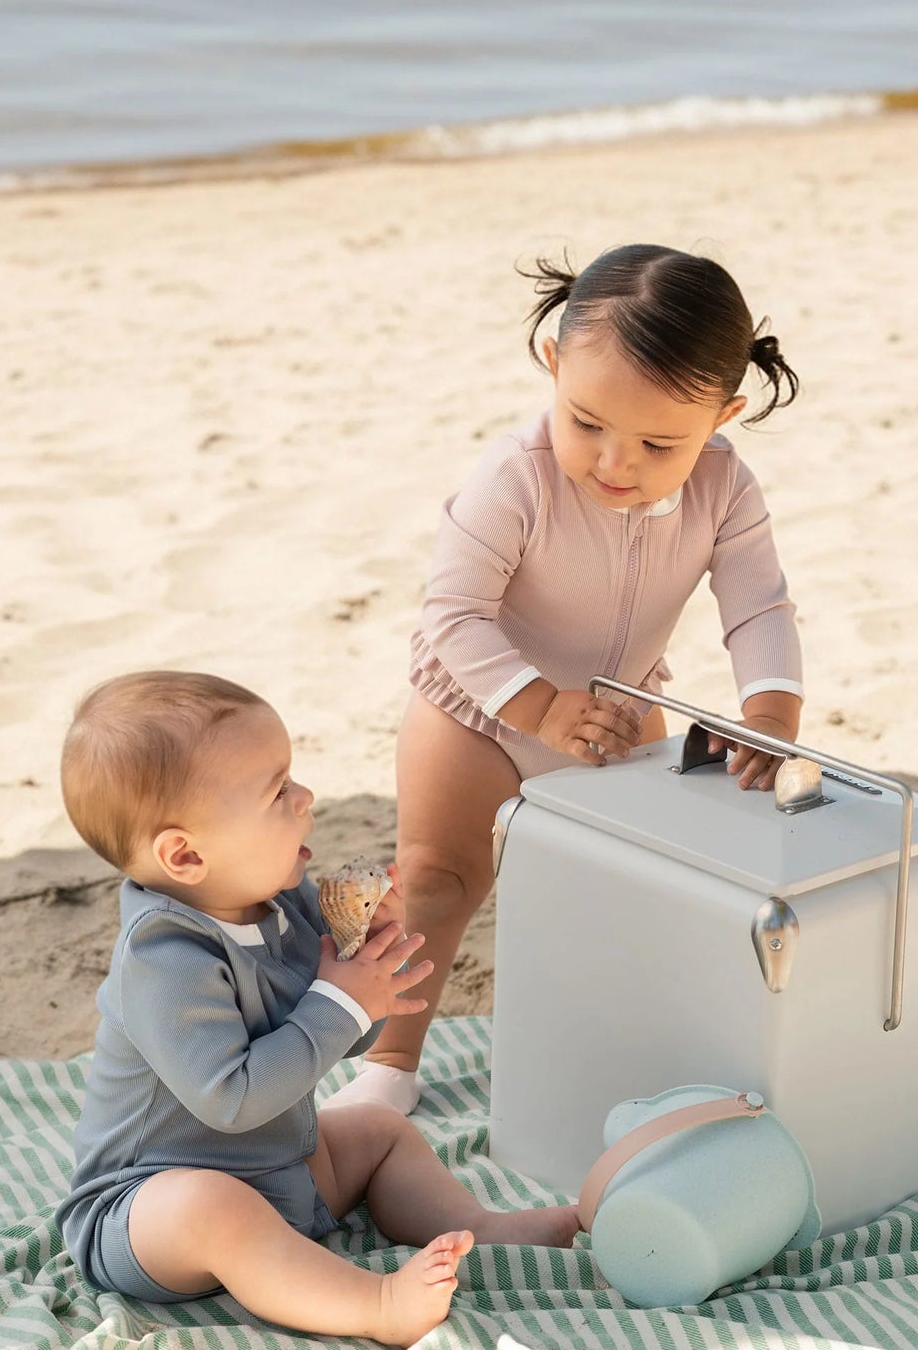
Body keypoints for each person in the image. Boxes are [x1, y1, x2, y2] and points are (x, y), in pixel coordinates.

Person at [328, 243, 805, 1117]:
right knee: (436, 878)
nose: (614, 463)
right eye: (585, 422)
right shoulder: (516, 477)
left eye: (659, 442)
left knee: (626, 890)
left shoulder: (726, 490)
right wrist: (537, 705)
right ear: (554, 364)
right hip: (474, 710)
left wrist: (768, 710)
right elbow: (455, 611)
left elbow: (758, 606)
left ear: (722, 415)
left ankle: (608, 1044)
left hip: (619, 717)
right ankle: (387, 1068)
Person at [55, 671, 579, 1348]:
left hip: (282, 1168)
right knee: (212, 1207)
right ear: (185, 853)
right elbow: (233, 1098)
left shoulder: (281, 901)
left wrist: (373, 973)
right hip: (146, 1213)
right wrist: (339, 1000)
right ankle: (374, 1301)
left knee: (376, 1128)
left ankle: (482, 1224)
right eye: (278, 792)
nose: (307, 798)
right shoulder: (162, 957)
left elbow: (347, 1036)